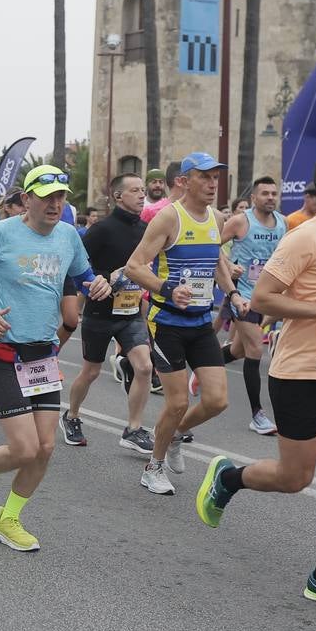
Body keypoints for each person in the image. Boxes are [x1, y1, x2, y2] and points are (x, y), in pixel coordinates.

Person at [194, 152, 316, 615]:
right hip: (299, 373)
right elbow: (263, 298)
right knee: (294, 478)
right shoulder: (305, 238)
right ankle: (229, 477)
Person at [0, 165, 110, 550]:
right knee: (23, 449)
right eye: (47, 197)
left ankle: (8, 520)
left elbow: (85, 274)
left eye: (61, 197)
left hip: (42, 353)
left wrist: (98, 282)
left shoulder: (69, 236)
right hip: (2, 350)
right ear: (26, 199)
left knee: (46, 448)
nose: (56, 204)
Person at [125, 152, 238, 495]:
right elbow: (134, 266)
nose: (212, 184)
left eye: (216, 178)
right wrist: (168, 289)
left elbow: (216, 257)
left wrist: (232, 293)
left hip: (201, 321)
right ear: (185, 181)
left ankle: (174, 435)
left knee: (217, 400)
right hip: (167, 323)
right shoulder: (168, 219)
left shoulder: (217, 219)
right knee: (176, 403)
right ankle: (153, 467)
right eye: (205, 177)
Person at [62, 173, 155, 453]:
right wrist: (107, 276)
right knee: (90, 372)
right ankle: (72, 415)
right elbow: (79, 264)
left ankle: (134, 429)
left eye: (143, 191)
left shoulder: (146, 229)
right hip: (101, 313)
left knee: (145, 367)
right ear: (118, 196)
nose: (142, 195)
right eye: (135, 190)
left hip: (130, 313)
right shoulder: (102, 229)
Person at [217, 175, 286, 435]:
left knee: (238, 350)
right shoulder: (240, 222)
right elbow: (213, 245)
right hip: (242, 295)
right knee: (256, 348)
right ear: (253, 198)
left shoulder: (283, 223)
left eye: (273, 193)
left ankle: (205, 367)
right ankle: (257, 415)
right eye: (264, 193)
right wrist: (228, 265)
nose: (270, 197)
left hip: (267, 296)